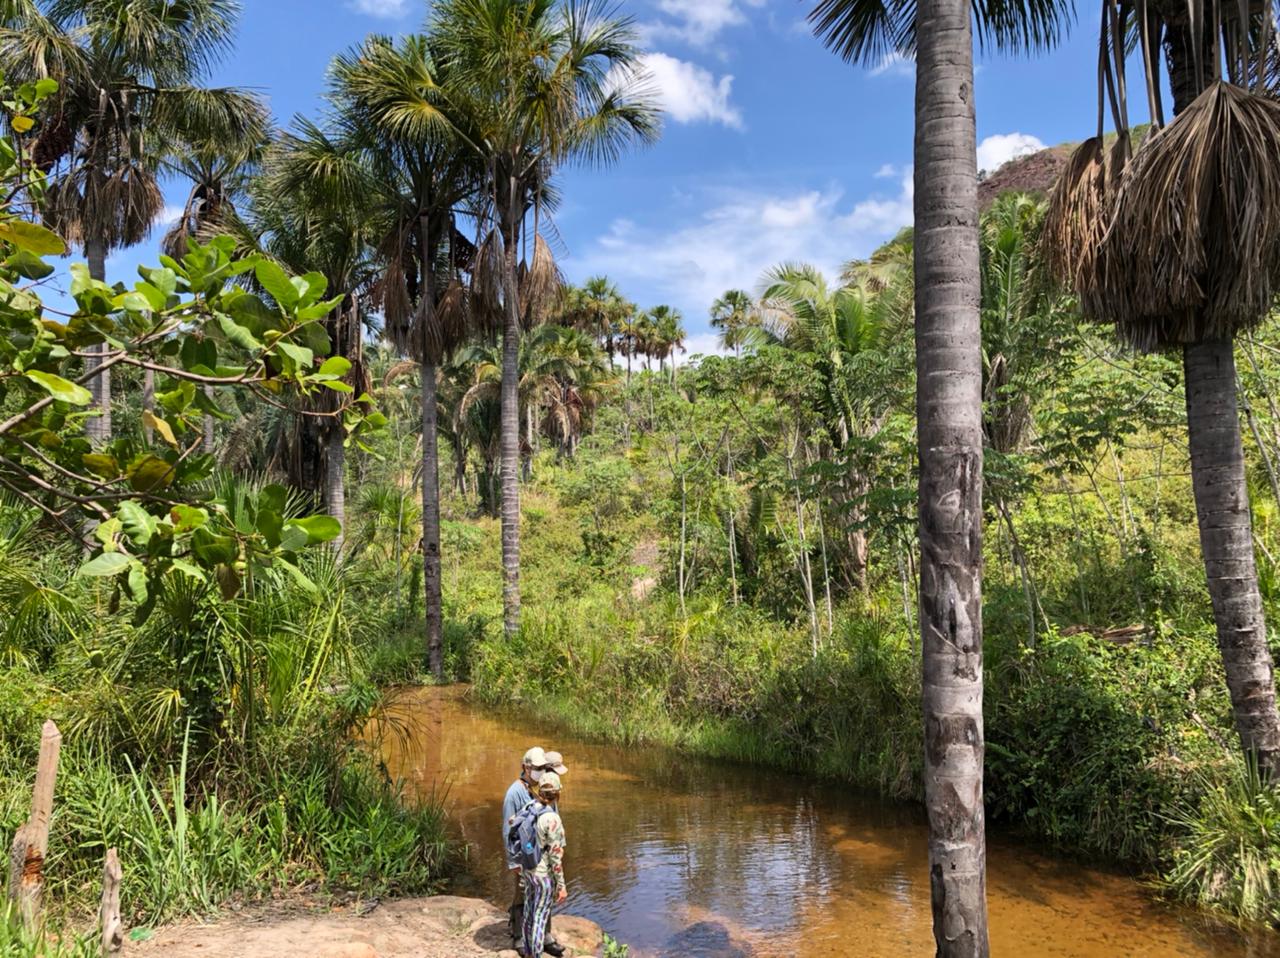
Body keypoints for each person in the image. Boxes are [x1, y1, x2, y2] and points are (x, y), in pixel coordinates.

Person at [518, 772, 567, 958]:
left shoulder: (531, 806)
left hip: (528, 870)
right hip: (543, 875)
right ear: (557, 794)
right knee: (540, 916)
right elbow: (555, 857)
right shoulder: (552, 818)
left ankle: (528, 952)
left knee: (529, 912)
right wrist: (561, 886)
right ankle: (536, 955)